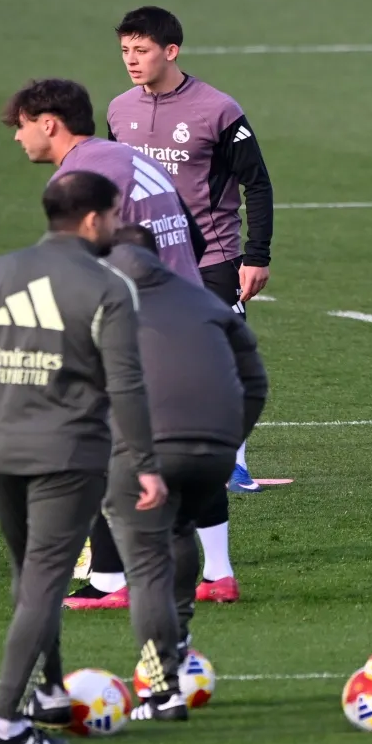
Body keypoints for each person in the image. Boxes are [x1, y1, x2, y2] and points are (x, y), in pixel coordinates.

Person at [0, 171, 166, 744]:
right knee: (44, 583)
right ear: (93, 220)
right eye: (113, 216)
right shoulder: (109, 287)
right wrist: (143, 460)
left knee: (29, 576)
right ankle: (4, 720)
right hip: (69, 455)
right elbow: (128, 384)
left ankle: (50, 690)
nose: (115, 226)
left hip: (3, 452)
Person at [99, 226, 269, 718]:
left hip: (147, 454)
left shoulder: (106, 306)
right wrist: (228, 441)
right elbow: (255, 382)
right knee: (176, 533)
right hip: (213, 452)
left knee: (148, 565)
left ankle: (161, 689)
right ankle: (181, 634)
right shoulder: (209, 304)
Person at [106, 5, 274, 501]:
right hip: (144, 262)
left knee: (221, 361)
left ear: (170, 51)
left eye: (141, 51)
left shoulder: (217, 109)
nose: (131, 61)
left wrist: (256, 254)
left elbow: (256, 184)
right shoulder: (119, 109)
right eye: (124, 52)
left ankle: (233, 465)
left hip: (212, 258)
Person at [3, 78, 200, 280]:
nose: (17, 136)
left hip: (146, 305)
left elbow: (79, 267)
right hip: (191, 298)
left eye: (21, 125)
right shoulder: (136, 157)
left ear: (48, 125)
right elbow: (197, 242)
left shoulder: (75, 180)